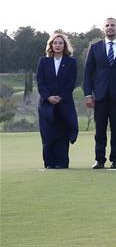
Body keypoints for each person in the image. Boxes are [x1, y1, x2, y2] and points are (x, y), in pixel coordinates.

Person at [84, 18, 116, 169]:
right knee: (99, 129)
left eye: (112, 25)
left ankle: (115, 159)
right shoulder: (94, 48)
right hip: (99, 95)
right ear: (103, 29)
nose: (110, 28)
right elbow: (88, 73)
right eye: (107, 25)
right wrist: (88, 94)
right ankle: (99, 160)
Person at [36, 32, 78, 169]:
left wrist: (60, 96)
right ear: (51, 45)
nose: (58, 45)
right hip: (46, 105)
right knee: (48, 134)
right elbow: (40, 82)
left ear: (65, 45)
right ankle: (49, 163)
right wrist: (48, 97)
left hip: (64, 103)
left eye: (60, 43)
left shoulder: (71, 62)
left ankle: (61, 163)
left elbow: (71, 82)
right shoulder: (44, 61)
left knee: (62, 134)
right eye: (55, 43)